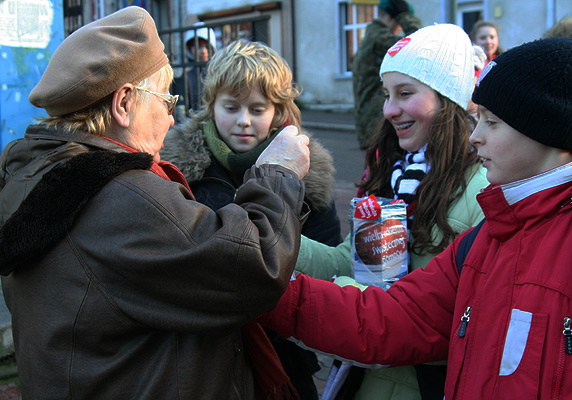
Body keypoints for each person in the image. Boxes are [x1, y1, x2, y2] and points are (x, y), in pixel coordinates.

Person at [260, 36, 572, 399]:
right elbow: (395, 316)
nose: (476, 136)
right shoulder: (490, 231)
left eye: (493, 122)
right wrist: (255, 275)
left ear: (546, 128)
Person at [0, 6, 311, 399]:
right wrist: (278, 174)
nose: (171, 116)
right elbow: (252, 268)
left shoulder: (35, 168)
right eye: (166, 98)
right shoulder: (122, 196)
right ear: (125, 104)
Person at [295, 24, 489, 400]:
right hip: (363, 376)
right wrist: (269, 239)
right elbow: (347, 262)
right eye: (386, 94)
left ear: (447, 98)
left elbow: (454, 321)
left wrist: (347, 301)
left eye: (405, 93)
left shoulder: (483, 189)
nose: (389, 109)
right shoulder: (393, 173)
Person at [160, 39, 342, 399]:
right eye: (231, 106)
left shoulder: (309, 175)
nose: (244, 121)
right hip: (199, 358)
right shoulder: (176, 170)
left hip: (284, 354)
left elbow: (327, 264)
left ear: (278, 111)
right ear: (210, 105)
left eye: (257, 109)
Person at [352, 0, 422, 150]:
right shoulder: (380, 40)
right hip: (380, 124)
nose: (399, 29)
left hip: (371, 123)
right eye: (399, 24)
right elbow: (420, 44)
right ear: (392, 18)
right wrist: (406, 16)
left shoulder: (371, 37)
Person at [183, 22, 217, 112]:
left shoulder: (218, 73)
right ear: (190, 49)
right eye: (198, 47)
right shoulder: (186, 76)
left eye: (206, 46)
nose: (203, 51)